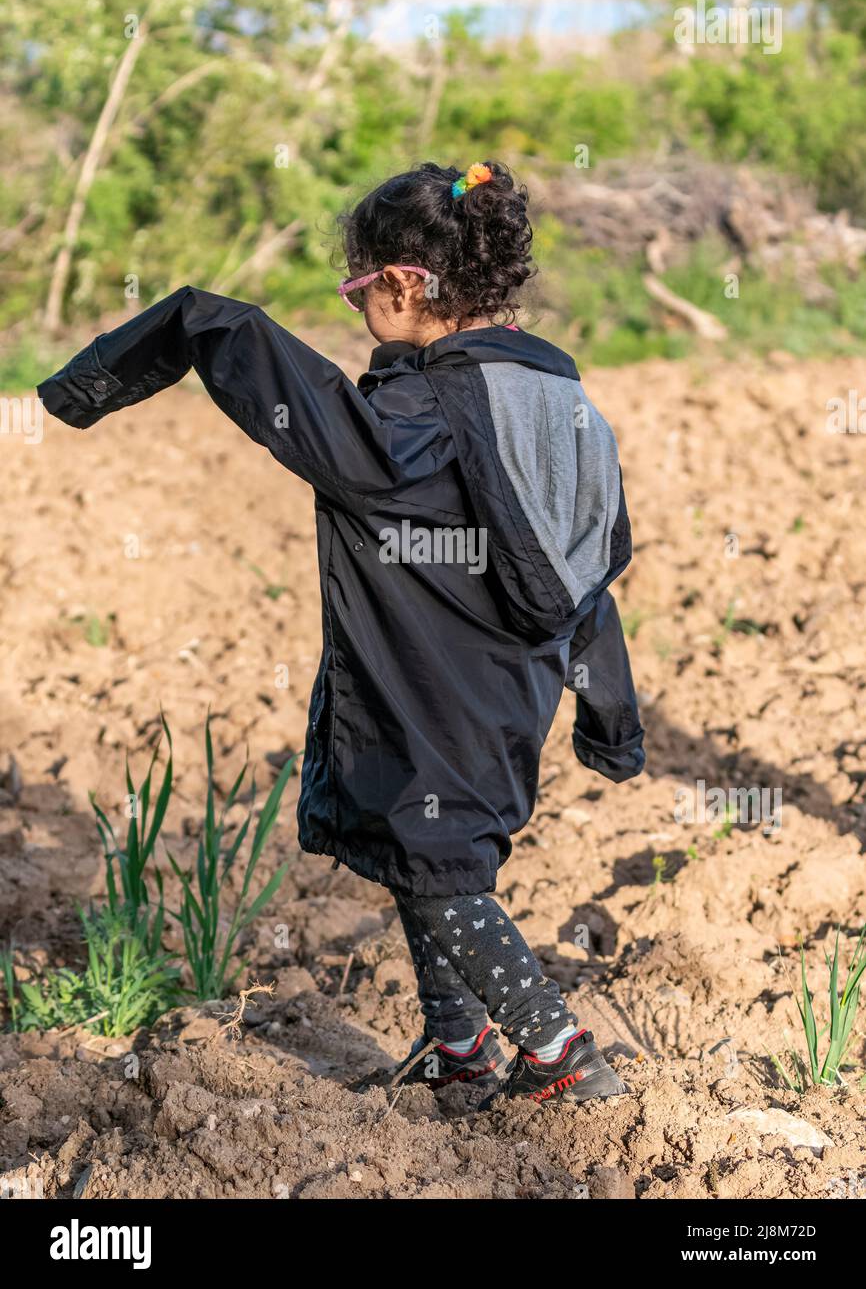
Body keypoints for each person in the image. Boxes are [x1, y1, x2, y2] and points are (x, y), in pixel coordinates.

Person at [38, 160, 645, 1105]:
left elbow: (331, 426)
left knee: (440, 870)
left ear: (405, 284)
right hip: (505, 686)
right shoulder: (561, 405)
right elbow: (590, 576)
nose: (354, 305)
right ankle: (462, 1054)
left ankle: (556, 1048)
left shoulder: (422, 414)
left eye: (357, 288)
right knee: (426, 858)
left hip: (432, 684)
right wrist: (613, 712)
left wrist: (198, 327)